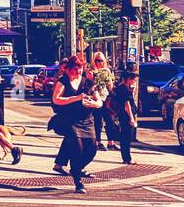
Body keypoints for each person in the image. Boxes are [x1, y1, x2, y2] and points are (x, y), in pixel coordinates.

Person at [50, 56, 102, 193]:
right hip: (71, 120)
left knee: (91, 150)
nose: (78, 71)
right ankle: (78, 182)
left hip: (87, 120)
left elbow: (99, 101)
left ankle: (75, 169)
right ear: (69, 69)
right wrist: (76, 98)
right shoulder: (63, 81)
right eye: (75, 68)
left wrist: (94, 104)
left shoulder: (88, 82)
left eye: (80, 68)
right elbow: (56, 99)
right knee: (77, 149)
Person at [106, 63, 139, 165]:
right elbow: (127, 104)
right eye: (133, 79)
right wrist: (131, 118)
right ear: (129, 78)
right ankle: (127, 158)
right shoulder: (124, 89)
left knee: (125, 138)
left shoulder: (121, 87)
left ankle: (126, 157)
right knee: (126, 138)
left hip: (123, 115)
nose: (134, 81)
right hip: (125, 116)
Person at [88, 51, 113, 151]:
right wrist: (96, 79)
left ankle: (111, 142)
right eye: (97, 60)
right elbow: (90, 86)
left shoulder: (106, 71)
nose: (99, 63)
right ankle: (98, 142)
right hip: (96, 98)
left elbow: (110, 86)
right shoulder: (90, 71)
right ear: (94, 61)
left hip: (106, 97)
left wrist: (109, 80)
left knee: (110, 120)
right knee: (98, 121)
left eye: (101, 60)